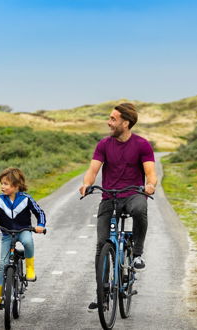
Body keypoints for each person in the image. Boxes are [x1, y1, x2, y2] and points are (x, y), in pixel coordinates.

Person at [79, 102, 157, 311]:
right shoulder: (104, 144)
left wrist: (150, 186)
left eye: (113, 119)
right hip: (109, 197)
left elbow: (150, 173)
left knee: (140, 208)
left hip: (133, 194)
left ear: (126, 122)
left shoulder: (142, 145)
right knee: (101, 244)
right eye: (110, 118)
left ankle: (137, 253)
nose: (109, 122)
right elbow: (93, 169)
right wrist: (87, 183)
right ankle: (102, 294)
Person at [0, 167, 47, 310]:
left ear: (16, 186)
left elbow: (39, 212)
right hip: (6, 233)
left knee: (28, 242)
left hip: (23, 230)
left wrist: (40, 225)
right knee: (2, 264)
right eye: (2, 183)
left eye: (6, 184)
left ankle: (30, 267)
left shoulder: (26, 198)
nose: (2, 186)